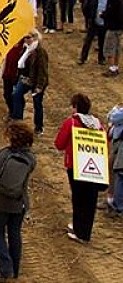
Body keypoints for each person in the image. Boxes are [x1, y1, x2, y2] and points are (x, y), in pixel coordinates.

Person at [0, 120, 36, 282]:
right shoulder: (31, 158)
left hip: (0, 202)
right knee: (15, 234)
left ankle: (5, 269)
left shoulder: (5, 154)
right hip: (19, 203)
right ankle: (15, 269)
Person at [54, 92, 105, 243]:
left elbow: (59, 144)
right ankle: (84, 229)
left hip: (75, 166)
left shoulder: (71, 123)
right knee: (90, 200)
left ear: (75, 107)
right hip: (95, 166)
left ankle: (80, 232)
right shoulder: (98, 125)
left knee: (78, 198)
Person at [11, 30, 49, 135]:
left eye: (29, 37)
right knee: (16, 95)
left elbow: (43, 71)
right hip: (26, 78)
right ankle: (18, 122)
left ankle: (39, 126)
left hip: (37, 81)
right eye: (25, 38)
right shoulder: (25, 49)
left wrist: (39, 86)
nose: (26, 40)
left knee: (37, 103)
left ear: (35, 38)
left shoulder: (40, 51)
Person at [79, 0, 108, 65]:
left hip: (103, 24)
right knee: (88, 41)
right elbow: (85, 8)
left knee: (102, 42)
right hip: (93, 23)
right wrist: (89, 18)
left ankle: (101, 59)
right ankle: (82, 58)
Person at [102, 0, 123, 77]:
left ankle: (112, 69)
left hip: (113, 27)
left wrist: (103, 14)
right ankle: (115, 67)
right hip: (119, 27)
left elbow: (111, 13)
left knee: (108, 48)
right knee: (117, 48)